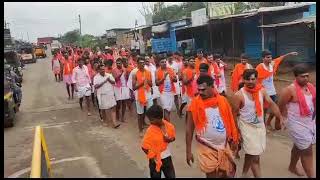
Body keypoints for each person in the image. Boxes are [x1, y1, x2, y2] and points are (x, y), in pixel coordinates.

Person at [186, 75, 239, 178]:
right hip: (206, 146)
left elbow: (232, 118)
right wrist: (188, 151)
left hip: (223, 145)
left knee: (225, 175)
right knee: (212, 175)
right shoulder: (194, 104)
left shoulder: (223, 101)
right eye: (199, 90)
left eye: (203, 90)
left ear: (212, 87)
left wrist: (235, 139)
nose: (200, 92)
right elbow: (189, 129)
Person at [232, 69, 283, 177]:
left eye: (253, 79)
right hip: (246, 127)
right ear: (243, 80)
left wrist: (280, 117)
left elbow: (271, 104)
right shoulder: (239, 95)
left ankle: (246, 173)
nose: (250, 81)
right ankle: (249, 174)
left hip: (259, 126)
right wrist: (236, 132)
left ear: (256, 79)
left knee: (255, 154)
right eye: (247, 79)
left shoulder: (262, 91)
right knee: (253, 153)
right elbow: (233, 115)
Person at [278, 64, 315, 178]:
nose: (305, 79)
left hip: (310, 121)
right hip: (297, 124)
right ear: (295, 77)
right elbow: (281, 105)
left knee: (299, 146)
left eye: (307, 76)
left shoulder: (310, 87)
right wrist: (282, 118)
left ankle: (292, 167)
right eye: (302, 76)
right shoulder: (289, 90)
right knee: (307, 151)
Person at [256, 50, 298, 131]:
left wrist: (290, 53)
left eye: (271, 57)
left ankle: (268, 122)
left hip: (272, 91)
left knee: (275, 107)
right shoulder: (259, 67)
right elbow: (256, 79)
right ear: (263, 58)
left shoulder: (272, 64)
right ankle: (263, 126)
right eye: (267, 57)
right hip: (263, 92)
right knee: (264, 109)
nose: (270, 59)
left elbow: (280, 58)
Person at [141, 104, 176, 178]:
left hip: (166, 157)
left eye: (151, 119)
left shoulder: (169, 127)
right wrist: (153, 156)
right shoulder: (150, 130)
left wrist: (169, 140)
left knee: (171, 176)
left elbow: (173, 138)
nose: (150, 122)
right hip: (154, 160)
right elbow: (144, 147)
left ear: (159, 118)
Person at [93, 64, 120, 129]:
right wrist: (104, 81)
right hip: (102, 94)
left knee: (113, 107)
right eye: (101, 69)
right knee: (103, 109)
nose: (103, 70)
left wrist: (109, 80)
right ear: (99, 70)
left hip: (110, 93)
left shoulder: (109, 75)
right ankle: (105, 121)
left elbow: (114, 82)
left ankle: (114, 123)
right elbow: (96, 86)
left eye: (103, 69)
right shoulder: (96, 77)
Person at [132, 57, 153, 137]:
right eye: (140, 63)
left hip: (148, 94)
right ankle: (140, 130)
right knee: (140, 114)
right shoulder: (135, 73)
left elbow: (151, 84)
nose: (142, 64)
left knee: (150, 112)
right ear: (137, 64)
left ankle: (152, 130)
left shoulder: (148, 72)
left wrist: (148, 82)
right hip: (139, 96)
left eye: (143, 63)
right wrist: (142, 83)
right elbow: (133, 87)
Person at [156, 57, 177, 122]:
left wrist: (174, 79)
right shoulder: (157, 71)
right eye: (162, 62)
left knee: (168, 109)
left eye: (165, 62)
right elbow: (157, 83)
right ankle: (169, 126)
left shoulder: (170, 69)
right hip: (163, 93)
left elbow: (175, 80)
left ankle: (165, 123)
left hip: (171, 92)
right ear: (159, 63)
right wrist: (164, 77)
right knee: (165, 109)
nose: (164, 63)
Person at [112, 58, 131, 122]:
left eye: (119, 63)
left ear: (121, 63)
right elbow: (116, 79)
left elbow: (127, 78)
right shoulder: (114, 70)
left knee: (124, 103)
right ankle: (117, 116)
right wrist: (121, 73)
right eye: (117, 63)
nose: (118, 64)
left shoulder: (125, 69)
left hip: (124, 87)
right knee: (118, 104)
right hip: (117, 87)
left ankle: (122, 117)